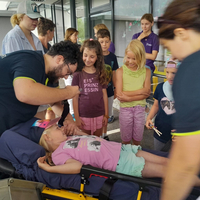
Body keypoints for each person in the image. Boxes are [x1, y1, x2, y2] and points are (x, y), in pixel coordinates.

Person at [157, 0, 200, 199]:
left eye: (169, 46)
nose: (173, 55)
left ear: (181, 33)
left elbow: (185, 163)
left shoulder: (192, 69)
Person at [0, 41, 81, 136]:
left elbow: (54, 102)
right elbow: (24, 93)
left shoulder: (51, 76)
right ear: (59, 59)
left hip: (11, 126)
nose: (66, 77)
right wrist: (68, 92)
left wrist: (68, 120)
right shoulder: (30, 60)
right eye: (68, 71)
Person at [37, 121, 169, 179]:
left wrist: (79, 132)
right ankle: (189, 179)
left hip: (121, 148)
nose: (61, 129)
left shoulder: (68, 138)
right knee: (167, 172)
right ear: (48, 137)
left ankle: (189, 170)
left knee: (166, 162)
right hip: (119, 162)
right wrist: (49, 169)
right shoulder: (57, 155)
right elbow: (77, 166)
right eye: (57, 129)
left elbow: (90, 139)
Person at [116, 40, 151, 145]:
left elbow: (147, 93)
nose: (130, 61)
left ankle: (135, 158)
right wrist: (141, 91)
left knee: (137, 138)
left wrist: (128, 97)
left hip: (140, 110)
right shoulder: (120, 71)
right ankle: (126, 159)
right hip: (125, 109)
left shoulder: (147, 71)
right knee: (125, 139)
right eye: (128, 57)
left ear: (141, 58)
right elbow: (119, 94)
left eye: (134, 59)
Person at [72, 39, 108, 137]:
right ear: (81, 54)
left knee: (97, 142)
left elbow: (104, 95)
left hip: (99, 115)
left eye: (92, 56)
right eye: (85, 55)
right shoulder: (77, 75)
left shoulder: (101, 73)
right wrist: (77, 118)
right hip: (83, 117)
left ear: (97, 58)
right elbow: (74, 97)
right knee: (84, 142)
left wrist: (106, 114)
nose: (88, 59)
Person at [146, 58, 178, 151]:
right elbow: (156, 105)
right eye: (167, 72)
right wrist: (149, 118)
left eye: (174, 73)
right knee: (159, 156)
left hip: (179, 135)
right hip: (160, 130)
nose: (169, 76)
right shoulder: (160, 87)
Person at [97, 29, 119, 139]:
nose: (104, 44)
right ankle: (98, 134)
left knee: (106, 114)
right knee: (98, 114)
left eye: (106, 41)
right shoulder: (95, 56)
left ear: (110, 41)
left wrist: (116, 88)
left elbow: (114, 73)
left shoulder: (113, 57)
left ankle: (105, 134)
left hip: (109, 91)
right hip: (97, 92)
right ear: (98, 42)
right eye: (101, 42)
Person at [64, 28, 80, 120]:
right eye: (75, 35)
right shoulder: (65, 47)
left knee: (77, 92)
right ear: (69, 35)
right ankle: (72, 113)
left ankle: (76, 111)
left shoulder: (77, 46)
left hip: (77, 72)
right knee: (70, 93)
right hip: (68, 73)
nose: (76, 37)